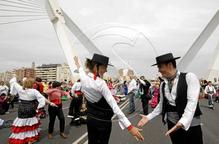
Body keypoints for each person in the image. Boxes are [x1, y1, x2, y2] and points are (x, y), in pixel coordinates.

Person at [74, 54, 144, 144]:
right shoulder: (101, 83)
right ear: (96, 66)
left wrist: (77, 63)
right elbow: (114, 106)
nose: (106, 70)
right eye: (104, 67)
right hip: (103, 123)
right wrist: (129, 127)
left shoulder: (83, 77)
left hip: (91, 119)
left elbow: (80, 70)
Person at [138, 53, 203, 144]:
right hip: (172, 122)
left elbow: (192, 102)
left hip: (191, 123)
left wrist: (182, 122)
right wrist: (149, 117)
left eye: (160, 66)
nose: (159, 70)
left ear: (169, 65)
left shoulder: (189, 77)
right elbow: (161, 104)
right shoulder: (163, 84)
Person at [8, 77, 56, 144]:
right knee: (30, 124)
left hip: (22, 108)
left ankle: (21, 139)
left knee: (22, 123)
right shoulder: (34, 91)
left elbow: (13, 82)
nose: (35, 84)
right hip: (31, 108)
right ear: (31, 84)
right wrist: (50, 103)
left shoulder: (20, 89)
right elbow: (42, 98)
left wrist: (14, 77)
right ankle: (30, 140)